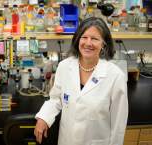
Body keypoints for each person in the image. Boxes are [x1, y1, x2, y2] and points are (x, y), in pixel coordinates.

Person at [34, 17, 128, 145]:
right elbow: (56, 99)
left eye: (94, 39)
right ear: (78, 39)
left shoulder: (115, 76)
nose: (88, 43)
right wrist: (43, 118)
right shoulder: (65, 66)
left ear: (103, 44)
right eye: (84, 37)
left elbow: (118, 124)